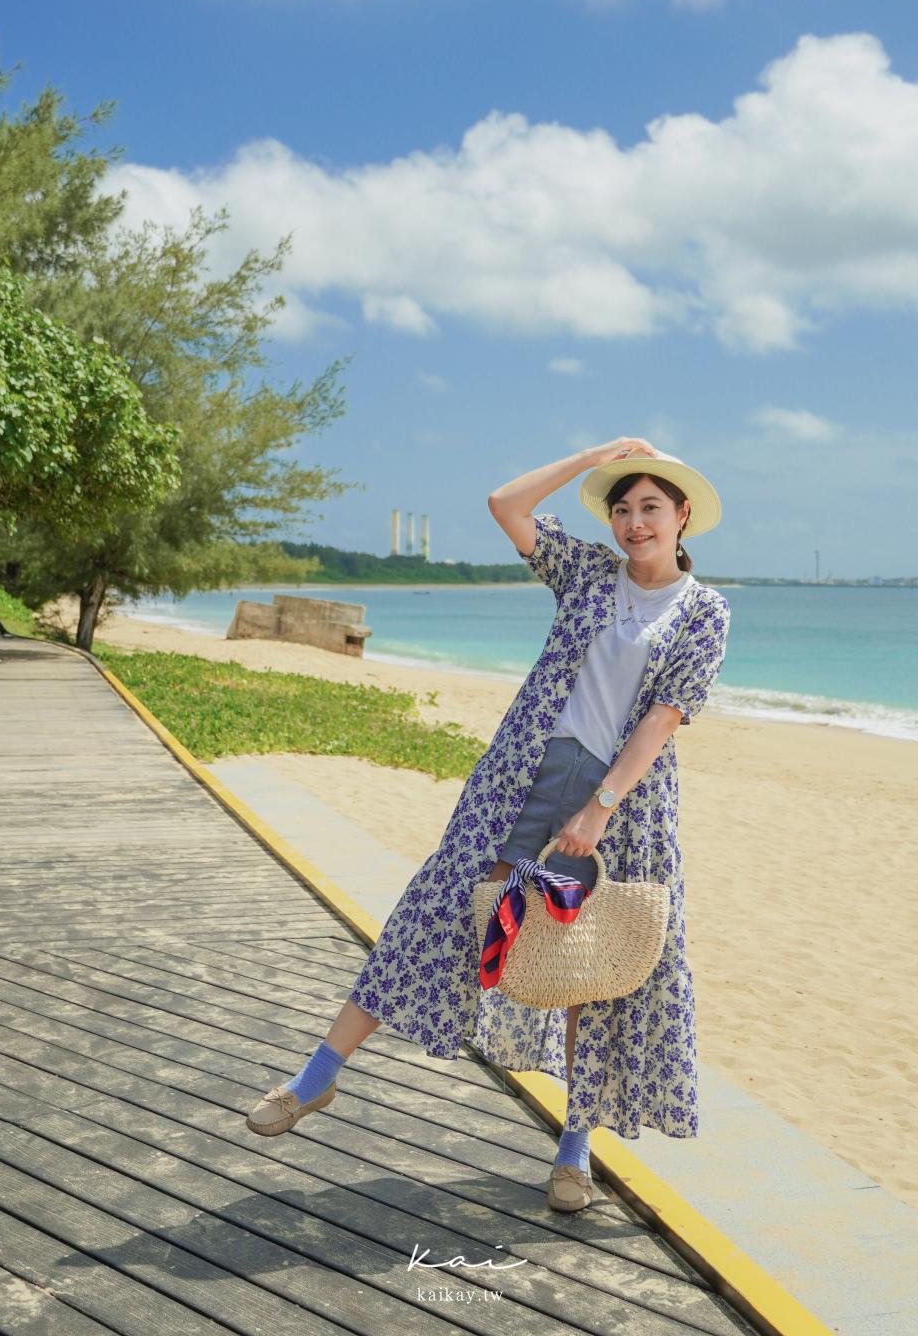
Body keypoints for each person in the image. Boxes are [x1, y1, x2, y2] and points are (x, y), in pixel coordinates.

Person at [246, 438, 731, 1214]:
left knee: (585, 966)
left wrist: (598, 809)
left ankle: (574, 1151)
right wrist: (594, 458)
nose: (634, 523)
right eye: (622, 507)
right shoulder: (587, 573)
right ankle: (314, 1079)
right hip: (521, 776)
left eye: (650, 508)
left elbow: (663, 720)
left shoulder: (705, 612)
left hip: (621, 803)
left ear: (682, 518)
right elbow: (506, 504)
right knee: (432, 915)